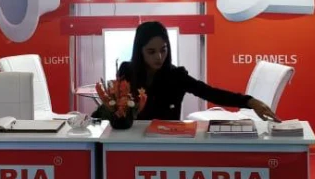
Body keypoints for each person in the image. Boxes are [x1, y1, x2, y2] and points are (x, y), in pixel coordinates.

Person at [116, 21, 279, 122]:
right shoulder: (126, 71)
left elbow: (210, 93)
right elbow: (116, 107)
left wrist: (249, 101)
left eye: (163, 50)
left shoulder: (176, 76)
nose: (159, 57)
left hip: (167, 141)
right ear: (140, 51)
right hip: (131, 140)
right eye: (151, 52)